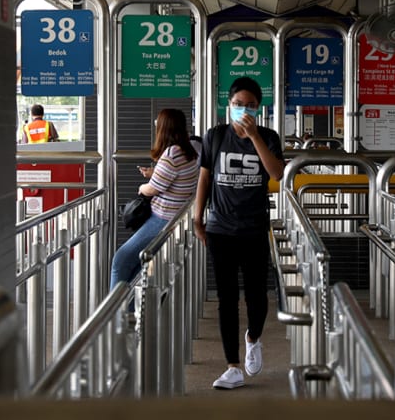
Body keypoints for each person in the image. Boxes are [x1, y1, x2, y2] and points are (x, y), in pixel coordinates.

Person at [193, 76, 285, 390]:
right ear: (227, 105)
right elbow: (205, 177)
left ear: (258, 108)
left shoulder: (269, 136)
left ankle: (254, 337)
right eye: (237, 104)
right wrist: (197, 216)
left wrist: (255, 136)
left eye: (249, 106)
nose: (242, 110)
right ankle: (232, 365)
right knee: (227, 298)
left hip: (254, 226)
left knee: (257, 296)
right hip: (220, 228)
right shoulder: (215, 136)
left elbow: (276, 173)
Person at [110, 108, 200, 290]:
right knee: (137, 266)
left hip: (162, 219)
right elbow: (174, 178)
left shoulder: (172, 154)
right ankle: (129, 310)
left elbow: (153, 189)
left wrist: (142, 187)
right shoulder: (189, 151)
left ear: (164, 128)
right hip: (174, 217)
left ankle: (116, 314)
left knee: (121, 260)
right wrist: (154, 173)